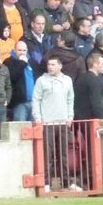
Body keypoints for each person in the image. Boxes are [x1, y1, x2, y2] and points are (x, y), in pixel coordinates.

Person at [32, 55, 78, 191]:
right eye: (49, 65)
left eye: (53, 64)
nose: (50, 67)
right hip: (47, 123)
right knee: (48, 155)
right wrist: (38, 119)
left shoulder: (67, 80)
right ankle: (46, 183)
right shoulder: (41, 81)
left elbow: (71, 99)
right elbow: (36, 100)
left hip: (63, 122)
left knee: (64, 154)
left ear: (60, 66)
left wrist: (70, 117)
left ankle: (66, 183)